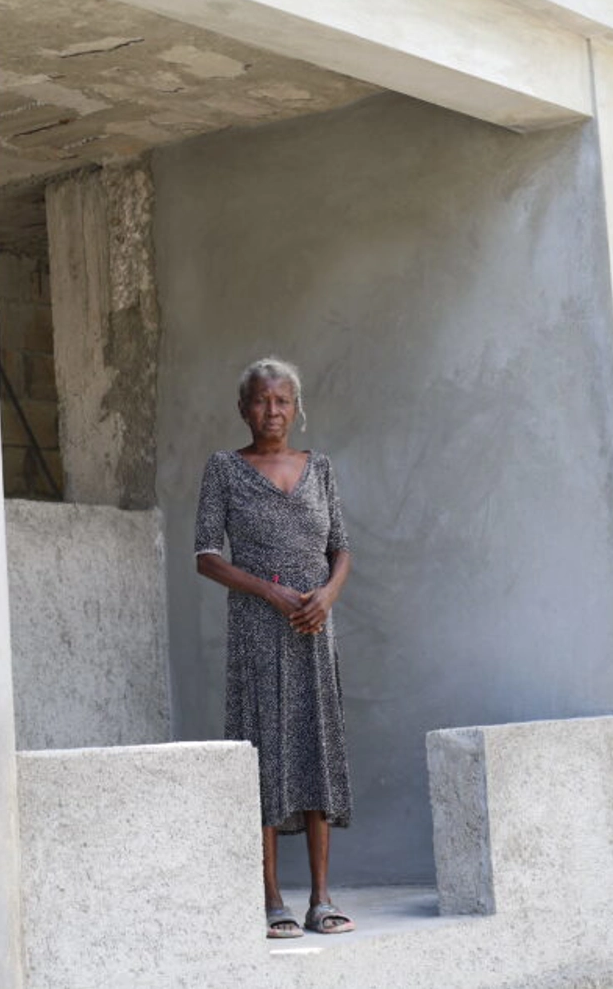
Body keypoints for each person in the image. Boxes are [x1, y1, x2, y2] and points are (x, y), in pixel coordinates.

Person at [193, 356, 356, 939]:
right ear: (243, 409)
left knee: (316, 747)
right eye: (261, 401)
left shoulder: (321, 469)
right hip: (259, 633)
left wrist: (326, 597)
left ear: (296, 407)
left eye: (282, 400)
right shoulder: (224, 470)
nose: (272, 411)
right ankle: (271, 900)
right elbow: (206, 555)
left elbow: (341, 549)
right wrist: (271, 593)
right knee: (264, 753)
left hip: (314, 630)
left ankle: (321, 897)